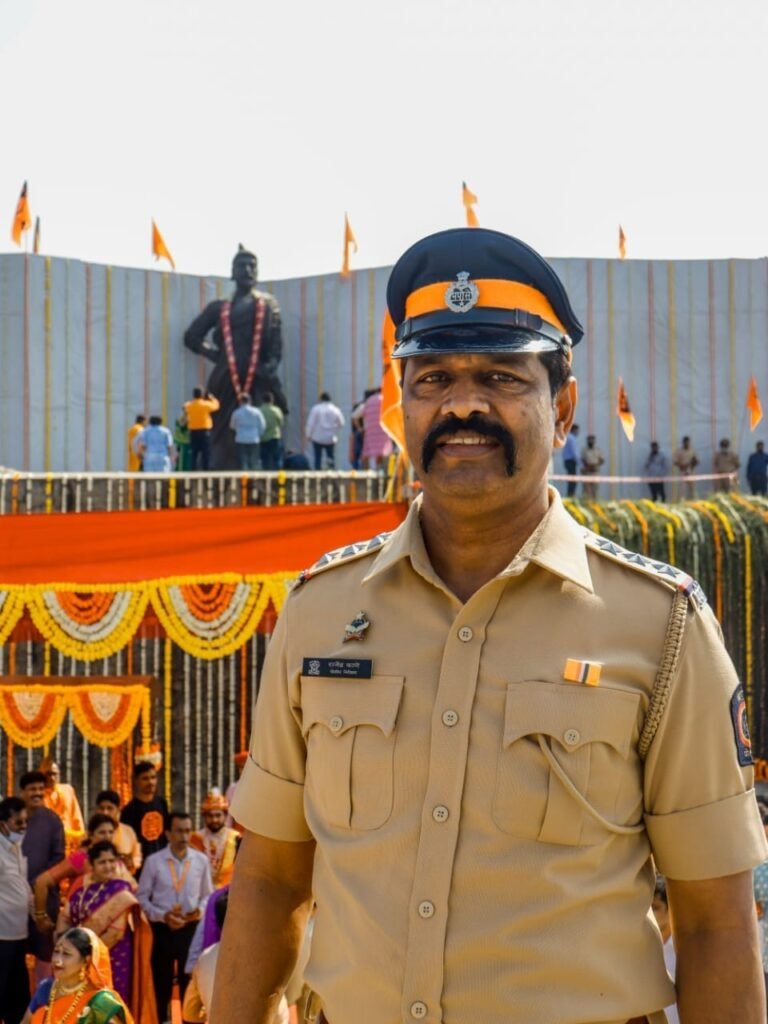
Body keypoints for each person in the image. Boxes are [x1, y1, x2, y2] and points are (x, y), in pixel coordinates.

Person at [216, 227, 768, 1024]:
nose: (463, 404)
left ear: (563, 406)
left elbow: (716, 922)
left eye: (501, 377)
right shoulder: (320, 612)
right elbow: (270, 879)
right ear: (401, 404)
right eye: (434, 378)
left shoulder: (660, 626)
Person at [183, 246, 288, 470]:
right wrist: (216, 356)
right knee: (221, 430)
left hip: (258, 376)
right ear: (232, 272)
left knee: (263, 426)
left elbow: (276, 347)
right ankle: (218, 469)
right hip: (225, 377)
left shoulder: (269, 305)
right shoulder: (219, 307)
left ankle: (261, 471)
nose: (248, 270)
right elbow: (191, 337)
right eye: (242, 266)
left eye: (252, 266)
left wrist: (269, 368)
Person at [57, 841, 156, 1022]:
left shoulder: (121, 890)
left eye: (112, 861)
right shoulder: (80, 892)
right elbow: (64, 919)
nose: (108, 866)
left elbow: (115, 934)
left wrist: (86, 957)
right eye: (102, 862)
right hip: (81, 960)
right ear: (92, 865)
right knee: (82, 1005)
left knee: (110, 1004)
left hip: (112, 957)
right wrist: (68, 948)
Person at [137, 811, 212, 1021]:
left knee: (190, 982)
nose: (184, 837)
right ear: (168, 833)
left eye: (188, 831)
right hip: (163, 930)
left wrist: (200, 911)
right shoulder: (153, 862)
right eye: (179, 831)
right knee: (161, 982)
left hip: (190, 930)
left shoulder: (201, 861)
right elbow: (141, 898)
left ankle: (190, 1020)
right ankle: (162, 1020)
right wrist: (163, 916)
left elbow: (208, 895)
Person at [32, 813, 135, 926]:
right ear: (90, 835)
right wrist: (41, 917)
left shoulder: (116, 861)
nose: (107, 836)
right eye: (102, 832)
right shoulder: (80, 859)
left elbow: (132, 891)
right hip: (84, 924)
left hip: (115, 925)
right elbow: (42, 881)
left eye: (111, 832)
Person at [23, 927, 129, 1024]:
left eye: (66, 954)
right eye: (56, 951)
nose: (57, 960)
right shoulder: (47, 987)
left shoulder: (100, 1003)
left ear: (86, 960)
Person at [20, 770, 64, 981]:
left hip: (45, 900)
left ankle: (43, 997)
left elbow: (58, 858)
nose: (37, 793)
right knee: (13, 952)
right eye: (32, 789)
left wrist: (38, 885)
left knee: (45, 953)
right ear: (22, 792)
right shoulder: (10, 820)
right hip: (13, 900)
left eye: (40, 789)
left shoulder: (52, 821)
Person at [0, 796, 31, 1024]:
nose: (23, 827)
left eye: (25, 821)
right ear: (3, 824)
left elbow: (21, 884)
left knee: (18, 993)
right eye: (18, 822)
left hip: (19, 932)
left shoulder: (16, 847)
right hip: (2, 935)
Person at [120, 762, 169, 872]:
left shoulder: (161, 803)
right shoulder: (129, 811)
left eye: (153, 777)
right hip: (141, 869)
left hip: (163, 865)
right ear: (136, 780)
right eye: (145, 778)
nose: (151, 782)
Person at [189, 789, 240, 889]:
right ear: (204, 816)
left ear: (225, 815)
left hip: (228, 892)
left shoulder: (236, 838)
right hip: (201, 891)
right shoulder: (195, 839)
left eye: (218, 815)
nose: (214, 820)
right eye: (210, 816)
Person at [651, 876, 679, 1024]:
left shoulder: (681, 951)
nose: (650, 914)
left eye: (655, 907)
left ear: (669, 910)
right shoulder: (641, 948)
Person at [95, 790, 142, 876]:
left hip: (124, 879)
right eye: (102, 808)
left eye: (110, 808)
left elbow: (137, 857)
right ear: (96, 810)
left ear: (118, 809)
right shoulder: (89, 834)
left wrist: (130, 862)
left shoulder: (128, 831)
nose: (105, 812)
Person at [38, 756, 85, 839]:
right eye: (48, 774)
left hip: (69, 840)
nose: (52, 778)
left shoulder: (68, 790)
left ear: (59, 774)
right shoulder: (37, 794)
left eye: (54, 774)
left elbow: (76, 817)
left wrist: (81, 838)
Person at [305, 392, 345, 469]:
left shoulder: (316, 409)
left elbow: (310, 424)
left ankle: (317, 474)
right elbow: (342, 423)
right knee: (330, 458)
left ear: (321, 399)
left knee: (317, 458)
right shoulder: (335, 409)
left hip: (317, 437)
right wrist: (334, 427)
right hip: (330, 438)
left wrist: (308, 435)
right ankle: (331, 473)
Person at [183, 388, 220, 471]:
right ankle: (205, 469)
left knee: (194, 452)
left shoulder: (189, 405)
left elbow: (184, 406)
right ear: (202, 395)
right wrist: (212, 398)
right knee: (205, 451)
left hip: (193, 431)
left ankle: (193, 469)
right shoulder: (206, 404)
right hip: (204, 431)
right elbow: (216, 406)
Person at [229, 392, 267, 471]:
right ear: (250, 401)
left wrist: (238, 430)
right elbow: (262, 424)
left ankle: (245, 475)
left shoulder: (237, 412)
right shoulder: (257, 412)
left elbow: (232, 425)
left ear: (240, 401)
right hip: (254, 438)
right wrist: (259, 434)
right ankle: (255, 474)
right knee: (254, 459)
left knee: (243, 459)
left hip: (241, 438)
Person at [360, 387, 393, 470]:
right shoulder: (386, 400)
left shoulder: (369, 401)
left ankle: (373, 471)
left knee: (372, 454)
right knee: (384, 452)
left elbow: (355, 415)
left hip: (371, 433)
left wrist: (360, 427)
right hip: (383, 432)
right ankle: (382, 471)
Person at [258, 391, 284, 470]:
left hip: (263, 437)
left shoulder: (259, 410)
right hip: (275, 436)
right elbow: (281, 423)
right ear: (272, 400)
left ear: (263, 400)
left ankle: (265, 473)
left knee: (264, 459)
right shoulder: (276, 410)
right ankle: (278, 474)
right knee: (277, 458)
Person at [580, 433, 605, 498]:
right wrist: (589, 466)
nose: (590, 441)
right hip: (587, 472)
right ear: (587, 441)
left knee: (595, 490)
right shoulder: (584, 450)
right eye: (589, 440)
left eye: (592, 440)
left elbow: (602, 460)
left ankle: (595, 503)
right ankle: (587, 502)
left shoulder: (598, 450)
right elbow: (582, 460)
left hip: (595, 472)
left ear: (594, 441)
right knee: (587, 491)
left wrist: (595, 465)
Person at [561, 422, 579, 497]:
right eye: (577, 430)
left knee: (571, 480)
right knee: (572, 481)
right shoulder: (572, 438)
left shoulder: (567, 437)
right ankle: (571, 496)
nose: (578, 432)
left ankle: (570, 495)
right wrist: (579, 463)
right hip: (571, 461)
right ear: (574, 430)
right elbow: (574, 452)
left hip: (567, 461)